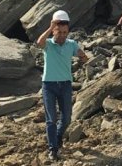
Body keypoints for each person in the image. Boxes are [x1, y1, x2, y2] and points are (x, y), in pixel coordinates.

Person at [36, 10, 89, 161]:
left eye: (65, 32)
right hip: (49, 86)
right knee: (51, 119)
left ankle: (58, 138)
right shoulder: (48, 44)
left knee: (66, 119)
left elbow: (83, 56)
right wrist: (50, 27)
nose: (63, 35)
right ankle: (53, 149)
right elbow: (39, 42)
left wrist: (83, 56)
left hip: (65, 85)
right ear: (54, 30)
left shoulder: (71, 44)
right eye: (60, 32)